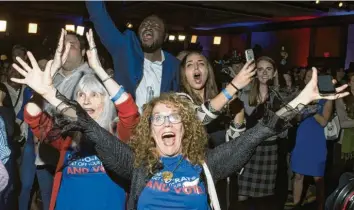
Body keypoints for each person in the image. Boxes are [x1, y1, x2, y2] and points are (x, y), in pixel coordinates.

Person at [10, 46, 349, 209]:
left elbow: (261, 131)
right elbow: (90, 127)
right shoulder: (136, 166)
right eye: (158, 118)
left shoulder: (207, 167)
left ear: (187, 127)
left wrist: (299, 102)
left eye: (174, 117)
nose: (166, 122)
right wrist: (49, 92)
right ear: (150, 129)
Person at [15, 30, 140, 210]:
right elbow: (34, 117)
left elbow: (129, 110)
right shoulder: (68, 138)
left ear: (107, 100)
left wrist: (98, 69)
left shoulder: (119, 134)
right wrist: (43, 87)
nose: (86, 100)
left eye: (94, 95)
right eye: (81, 95)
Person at [86, 1, 180, 112]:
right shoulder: (125, 48)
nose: (148, 27)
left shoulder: (174, 65)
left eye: (155, 26)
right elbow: (99, 16)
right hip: (127, 125)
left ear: (165, 37)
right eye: (144, 24)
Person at [290, 70, 333, 210]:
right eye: (307, 76)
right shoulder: (300, 95)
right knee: (298, 175)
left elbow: (324, 122)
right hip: (302, 138)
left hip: (317, 141)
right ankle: (296, 205)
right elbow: (294, 118)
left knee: (318, 178)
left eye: (312, 76)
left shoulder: (326, 98)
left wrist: (310, 108)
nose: (310, 78)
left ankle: (320, 206)